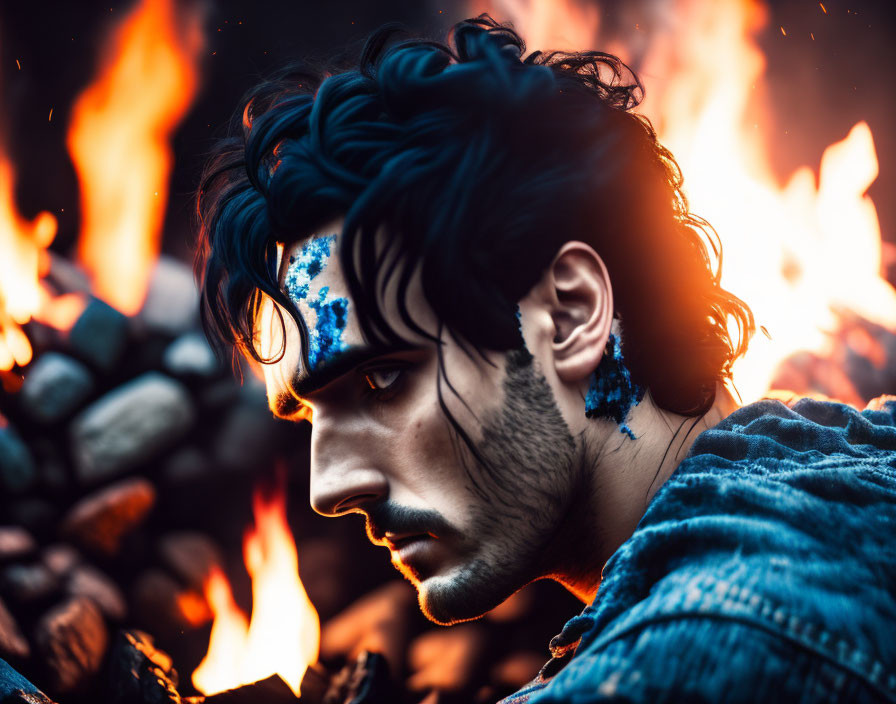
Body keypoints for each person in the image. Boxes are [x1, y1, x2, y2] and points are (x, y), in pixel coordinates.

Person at [195, 15, 896, 703]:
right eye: (306, 414)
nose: (328, 487)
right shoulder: (844, 478)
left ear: (570, 313)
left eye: (381, 378)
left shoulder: (709, 642)